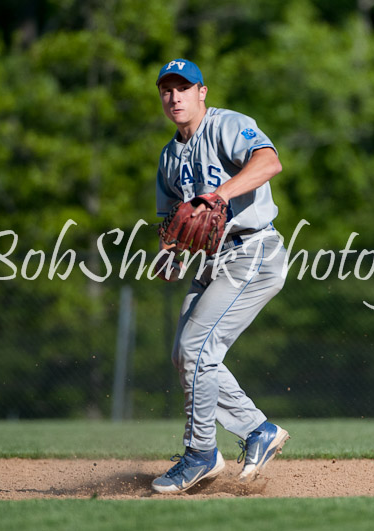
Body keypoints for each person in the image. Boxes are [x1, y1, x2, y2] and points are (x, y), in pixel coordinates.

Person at [151, 58, 290, 494]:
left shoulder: (227, 125)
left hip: (253, 251)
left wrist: (220, 195)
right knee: (185, 357)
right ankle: (256, 430)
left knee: (197, 349)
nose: (175, 97)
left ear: (202, 92)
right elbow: (172, 223)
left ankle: (200, 454)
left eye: (184, 88)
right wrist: (169, 256)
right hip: (213, 262)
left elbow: (270, 162)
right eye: (167, 90)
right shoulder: (169, 157)